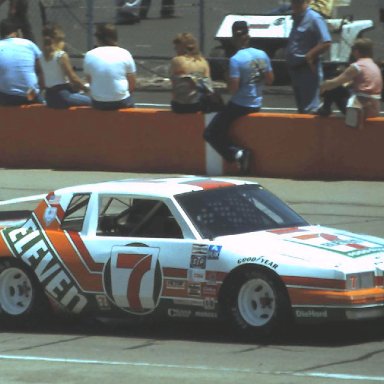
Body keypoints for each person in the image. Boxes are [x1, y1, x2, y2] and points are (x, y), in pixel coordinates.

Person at [203, 21, 274, 174]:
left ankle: (237, 153)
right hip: (256, 102)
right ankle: (238, 154)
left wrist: (225, 79)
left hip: (241, 103)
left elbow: (233, 89)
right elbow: (270, 80)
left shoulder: (236, 60)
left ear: (234, 37)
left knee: (210, 133)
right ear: (248, 35)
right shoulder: (262, 55)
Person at [286, 0, 331, 114]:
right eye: (293, 2)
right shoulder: (296, 17)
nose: (294, 5)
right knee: (301, 109)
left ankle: (312, 131)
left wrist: (310, 55)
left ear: (306, 2)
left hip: (308, 70)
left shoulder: (314, 18)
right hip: (295, 69)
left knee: (310, 109)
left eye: (298, 3)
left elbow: (326, 42)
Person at [319, 38, 383, 118]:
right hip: (374, 108)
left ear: (357, 51)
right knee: (342, 89)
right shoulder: (374, 66)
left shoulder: (357, 66)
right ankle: (325, 109)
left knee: (334, 88)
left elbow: (335, 82)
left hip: (360, 108)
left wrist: (323, 86)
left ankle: (325, 110)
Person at [83, 23, 136, 111]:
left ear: (98, 38)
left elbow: (90, 80)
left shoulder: (89, 55)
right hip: (121, 101)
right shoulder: (124, 53)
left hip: (99, 102)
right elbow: (132, 82)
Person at [40, 24, 91, 109]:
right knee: (91, 101)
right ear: (58, 41)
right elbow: (73, 79)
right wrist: (86, 88)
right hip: (62, 96)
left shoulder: (41, 56)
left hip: (49, 97)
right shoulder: (61, 55)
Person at [0, 18, 45, 106]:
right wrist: (40, 89)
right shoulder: (29, 44)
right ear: (17, 32)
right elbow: (43, 69)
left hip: (7, 98)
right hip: (31, 95)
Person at [170, 32, 213, 113]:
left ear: (182, 46)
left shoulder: (177, 60)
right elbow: (208, 86)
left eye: (176, 46)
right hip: (198, 105)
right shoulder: (203, 62)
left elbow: (173, 81)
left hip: (180, 106)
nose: (175, 48)